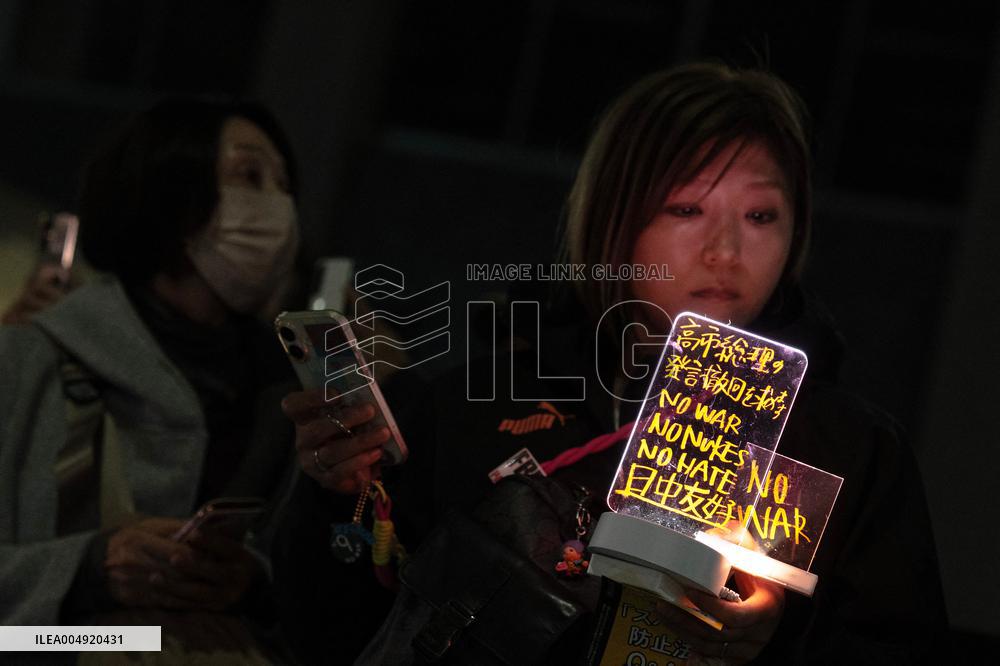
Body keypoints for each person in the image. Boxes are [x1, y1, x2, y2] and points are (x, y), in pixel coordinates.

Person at [279, 61, 947, 664]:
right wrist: (334, 500)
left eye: (761, 215)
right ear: (613, 220)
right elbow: (331, 635)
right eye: (685, 207)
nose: (725, 249)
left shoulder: (847, 450)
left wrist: (778, 639)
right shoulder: (469, 408)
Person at [0, 97, 301, 651]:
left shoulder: (293, 396)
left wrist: (250, 585)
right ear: (170, 195)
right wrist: (88, 570)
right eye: (250, 176)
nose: (279, 209)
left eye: (284, 186)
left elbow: (344, 605)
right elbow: (16, 637)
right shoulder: (26, 361)